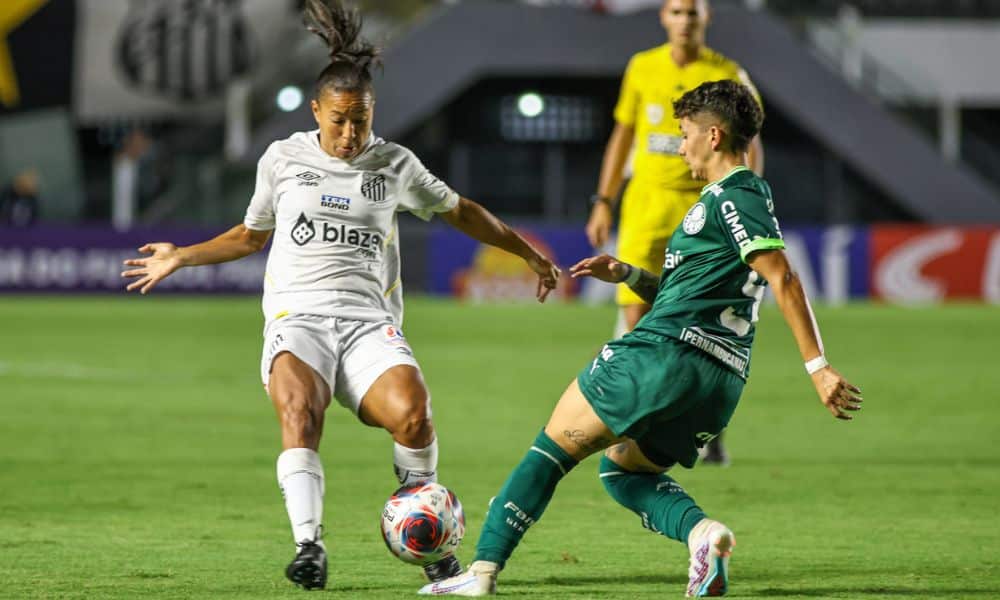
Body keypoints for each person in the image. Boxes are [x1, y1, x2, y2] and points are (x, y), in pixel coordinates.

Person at [121, 0, 560, 591]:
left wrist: (525, 251)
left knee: (414, 415)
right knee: (301, 414)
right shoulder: (282, 159)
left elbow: (462, 212)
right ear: (316, 112)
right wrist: (183, 255)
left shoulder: (395, 165)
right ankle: (309, 545)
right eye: (339, 121)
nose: (351, 134)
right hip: (297, 320)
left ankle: (425, 533)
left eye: (362, 120)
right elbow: (250, 236)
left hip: (366, 323)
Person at [420, 80, 862, 598]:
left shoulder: (738, 194)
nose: (680, 146)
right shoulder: (726, 201)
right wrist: (629, 274)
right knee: (623, 473)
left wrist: (818, 367)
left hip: (663, 355)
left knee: (549, 452)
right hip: (717, 382)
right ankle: (703, 535)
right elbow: (690, 291)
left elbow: (782, 276)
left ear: (714, 136)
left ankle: (481, 573)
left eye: (685, 134)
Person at [586, 0, 764, 465]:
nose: (685, 20)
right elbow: (622, 137)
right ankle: (648, 425)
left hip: (701, 213)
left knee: (700, 324)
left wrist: (744, 197)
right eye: (677, 11)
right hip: (645, 209)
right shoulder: (642, 67)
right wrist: (603, 200)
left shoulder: (727, 72)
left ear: (707, 19)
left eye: (693, 12)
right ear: (663, 17)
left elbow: (750, 144)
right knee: (637, 320)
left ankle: (703, 424)